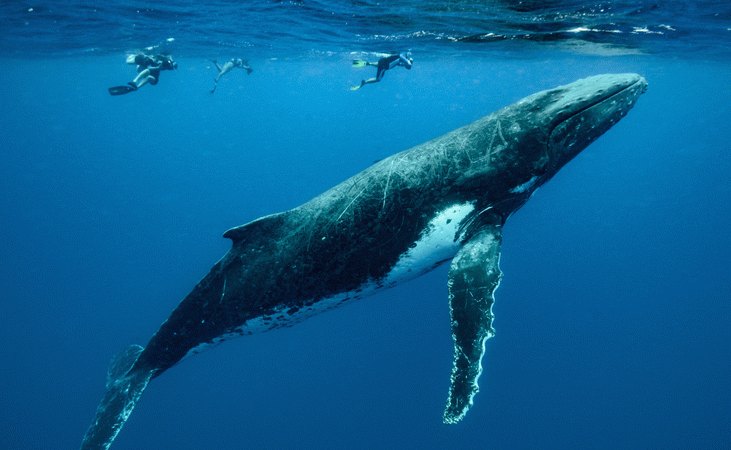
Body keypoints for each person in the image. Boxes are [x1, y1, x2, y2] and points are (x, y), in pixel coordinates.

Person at [108, 53, 178, 96]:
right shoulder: (151, 61)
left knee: (149, 75)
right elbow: (148, 69)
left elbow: (149, 73)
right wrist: (135, 80)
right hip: (146, 62)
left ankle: (136, 86)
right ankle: (134, 81)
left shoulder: (167, 65)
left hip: (151, 69)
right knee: (132, 64)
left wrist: (137, 87)